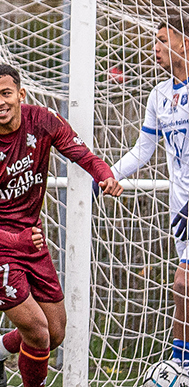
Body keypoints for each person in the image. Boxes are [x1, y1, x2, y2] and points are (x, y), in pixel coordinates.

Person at [0, 64, 123, 387]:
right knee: (37, 331)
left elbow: (83, 154)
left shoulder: (43, 120)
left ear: (21, 94)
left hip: (29, 239)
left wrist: (103, 174)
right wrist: (12, 239)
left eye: (6, 94)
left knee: (55, 331)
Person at [107, 13, 189, 369]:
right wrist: (104, 174)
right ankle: (181, 363)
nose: (154, 47)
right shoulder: (159, 95)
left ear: (184, 42)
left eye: (161, 39)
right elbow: (143, 150)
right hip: (179, 205)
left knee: (183, 282)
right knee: (185, 285)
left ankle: (179, 364)